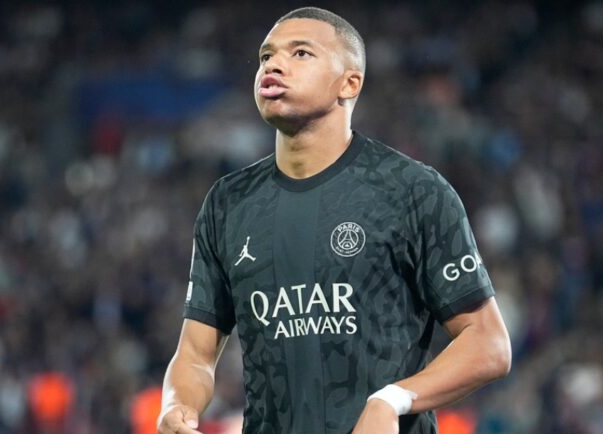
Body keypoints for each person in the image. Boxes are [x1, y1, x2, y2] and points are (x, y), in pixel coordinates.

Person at [157, 6, 511, 434]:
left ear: (349, 83)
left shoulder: (412, 190)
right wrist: (177, 405)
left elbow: (488, 343)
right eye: (267, 55)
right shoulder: (228, 203)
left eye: (300, 53)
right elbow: (196, 354)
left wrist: (392, 400)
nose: (273, 64)